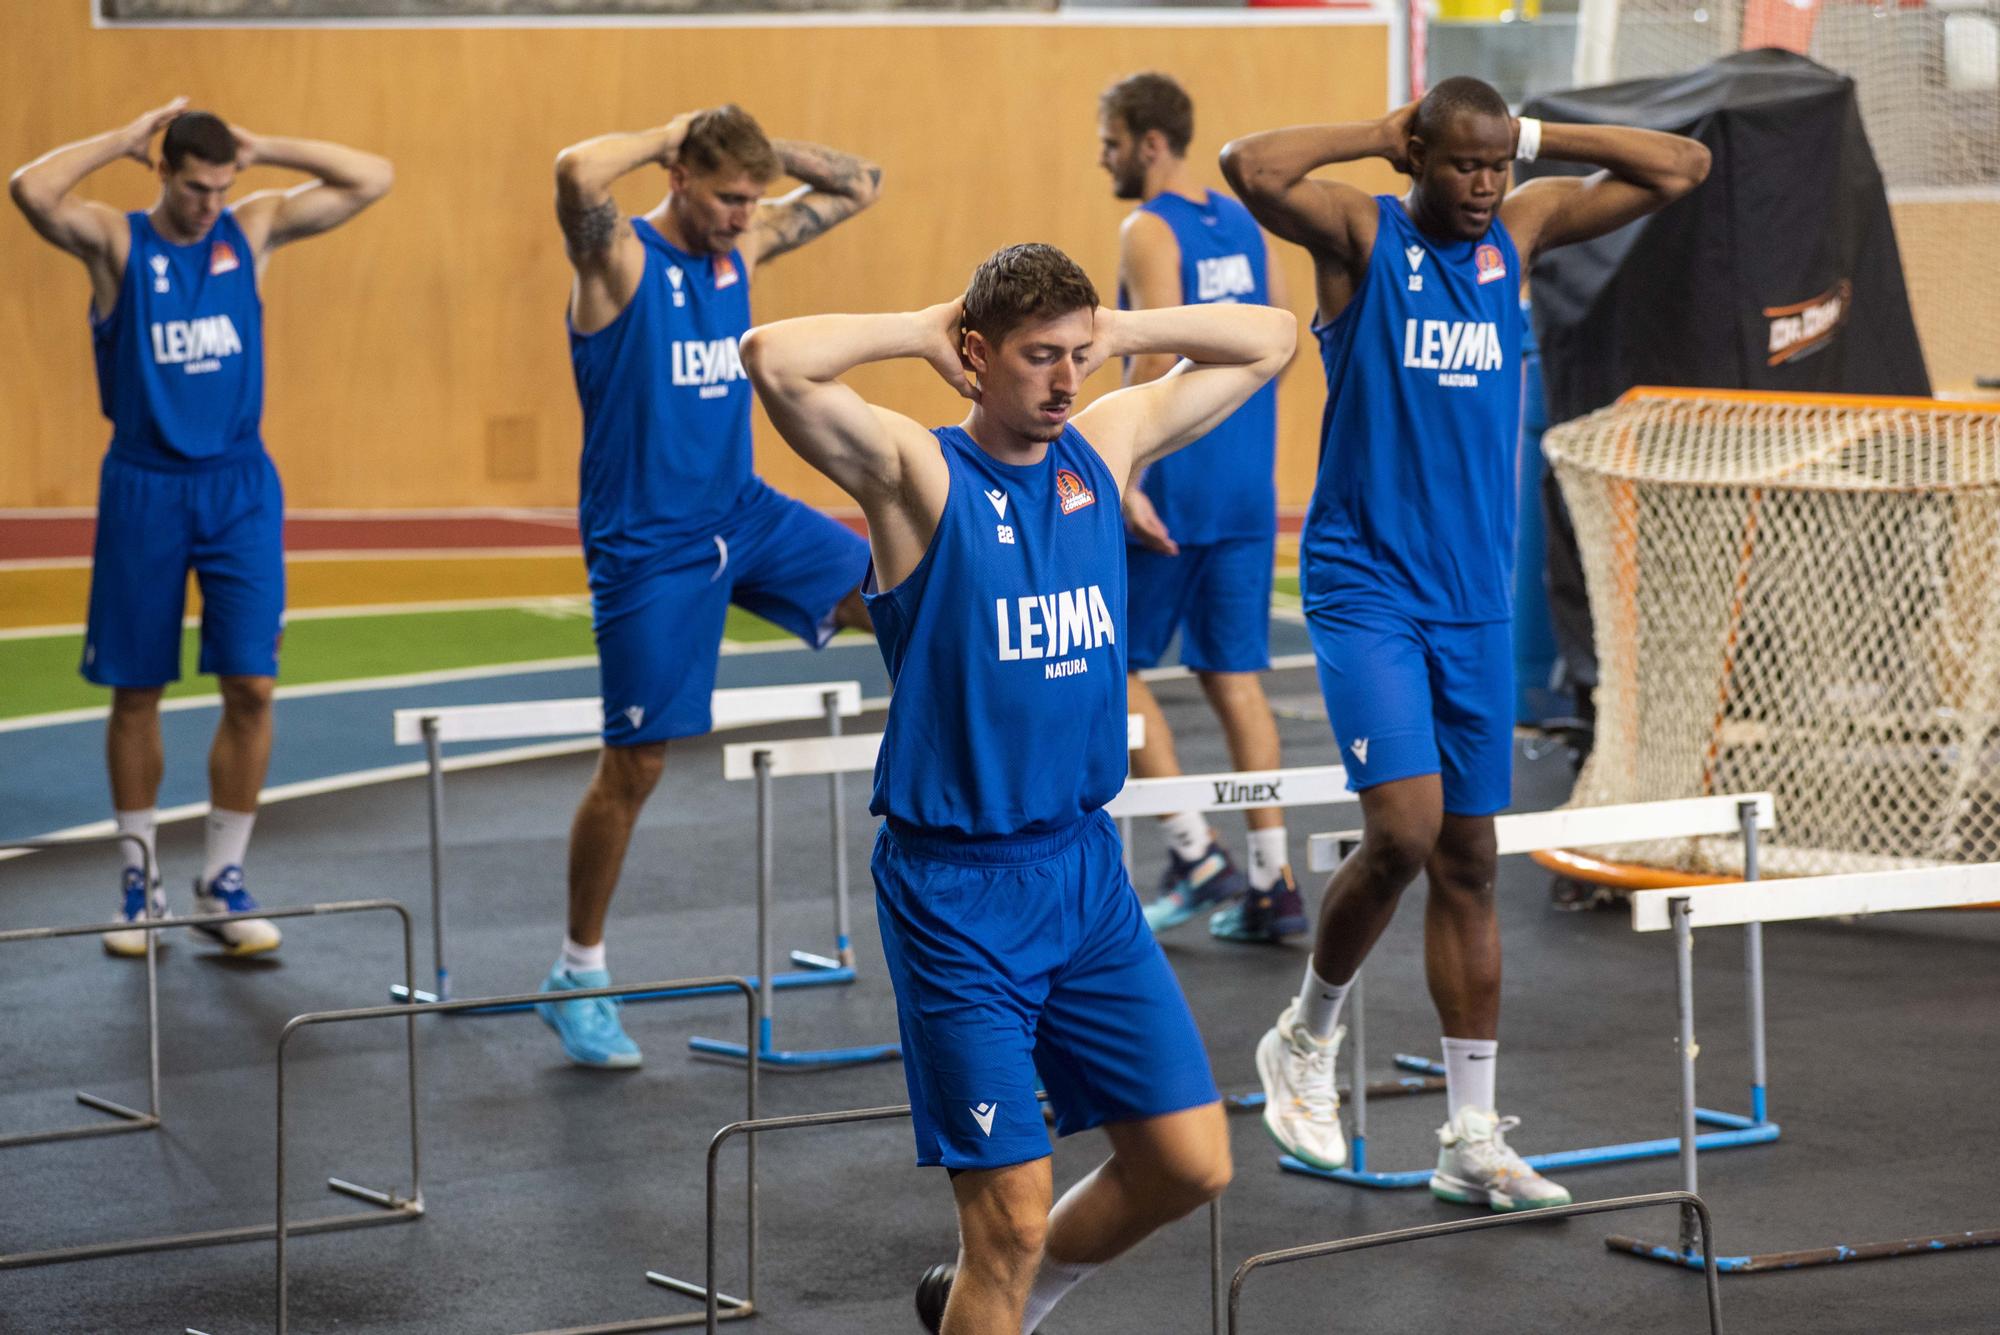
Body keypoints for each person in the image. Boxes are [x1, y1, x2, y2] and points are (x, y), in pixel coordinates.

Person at [741, 244, 1293, 1334]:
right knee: (1009, 1213)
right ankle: (993, 1285)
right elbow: (774, 357)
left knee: (1188, 1163)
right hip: (957, 892)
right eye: (1037, 357)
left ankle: (994, 1303)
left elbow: (1271, 337)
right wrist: (920, 324)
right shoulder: (919, 475)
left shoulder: (1100, 443)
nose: (1062, 381)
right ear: (977, 357)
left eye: (1074, 358)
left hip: (1082, 879)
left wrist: (1117, 333)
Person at [1220, 78, 1709, 1208]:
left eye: (1498, 167)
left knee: (1471, 862)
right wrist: (1377, 136)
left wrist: (1530, 138)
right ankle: (1303, 1036)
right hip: (1366, 587)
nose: (1486, 187)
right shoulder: (1359, 235)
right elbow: (1251, 163)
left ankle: (1471, 1136)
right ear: (1417, 160)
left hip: (1471, 600)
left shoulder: (1517, 232)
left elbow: (1677, 170)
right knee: (1401, 830)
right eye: (1462, 165)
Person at [9, 100, 393, 958]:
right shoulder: (117, 242)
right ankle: (138, 884)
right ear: (161, 172)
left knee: (252, 685)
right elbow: (30, 190)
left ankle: (222, 879)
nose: (207, 203)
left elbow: (373, 177)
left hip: (240, 486)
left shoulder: (247, 231)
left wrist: (270, 147)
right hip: (145, 485)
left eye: (222, 187)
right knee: (137, 689)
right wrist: (116, 138)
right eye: (193, 187)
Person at [539, 106, 881, 1068]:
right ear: (681, 175)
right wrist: (669, 130)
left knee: (895, 591)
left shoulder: (742, 248)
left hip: (744, 512)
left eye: (755, 198)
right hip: (647, 543)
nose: (745, 214)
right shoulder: (618, 262)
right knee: (636, 765)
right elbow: (575, 169)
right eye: (729, 196)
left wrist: (767, 150)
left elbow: (862, 182)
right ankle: (576, 972)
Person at [1095, 72, 1303, 944]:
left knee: (1114, 668)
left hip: (1170, 489)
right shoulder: (1246, 219)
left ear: (1149, 142)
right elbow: (1284, 336)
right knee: (1234, 677)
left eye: (1109, 140)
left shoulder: (1147, 227)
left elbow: (1149, 358)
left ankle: (1192, 848)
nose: (1100, 155)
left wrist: (1130, 477)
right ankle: (1273, 878)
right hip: (1245, 486)